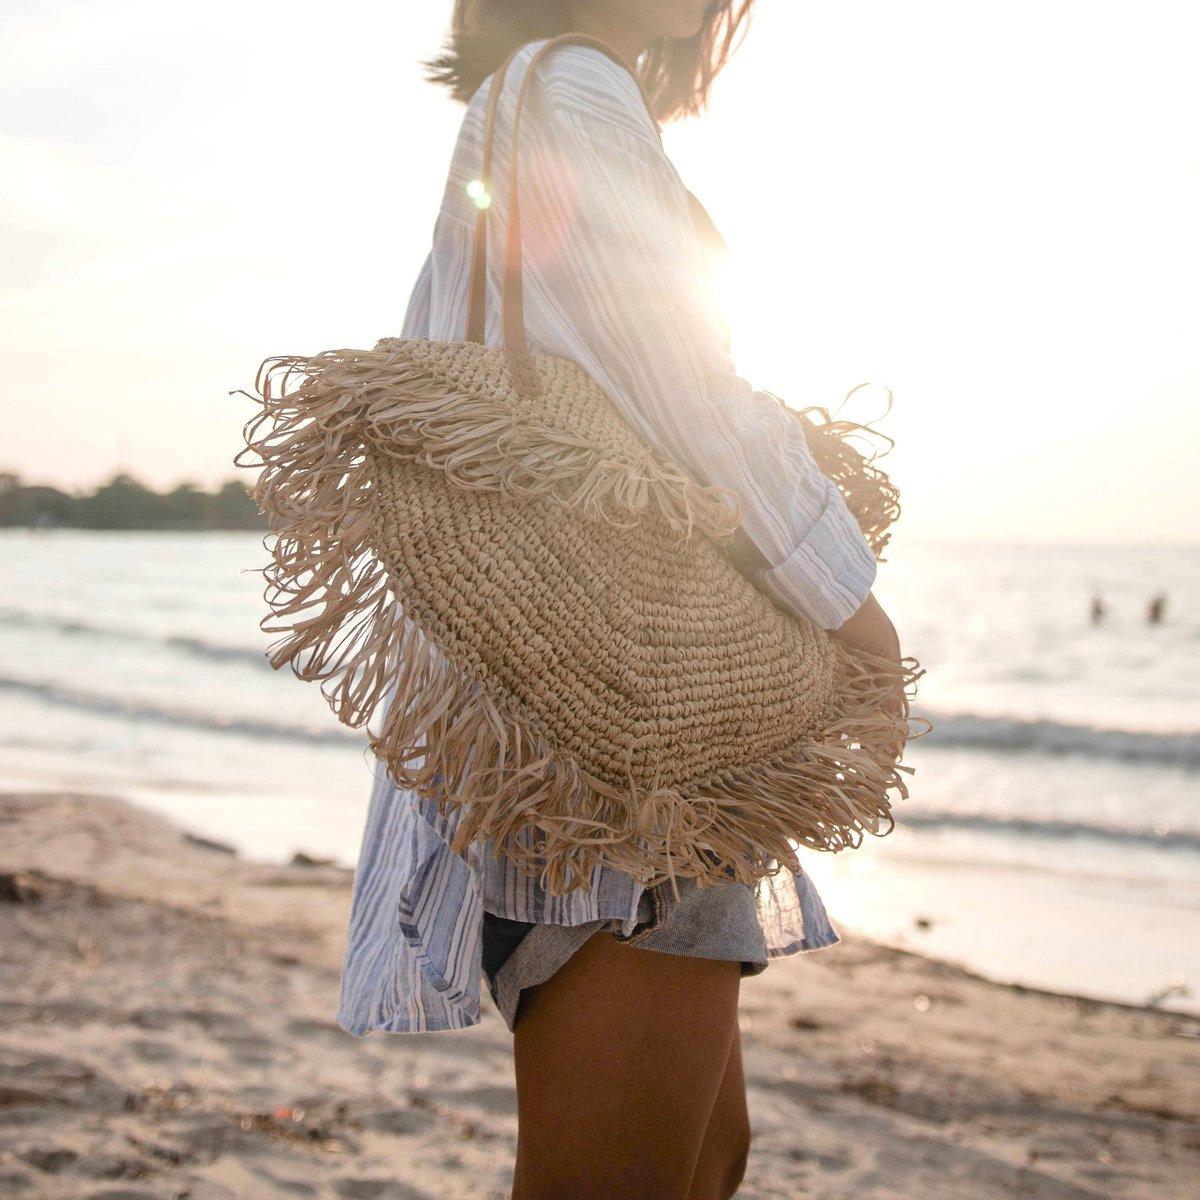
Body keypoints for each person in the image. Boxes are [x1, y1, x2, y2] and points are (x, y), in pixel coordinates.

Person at [336, 4, 903, 1197]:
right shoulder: (570, 91)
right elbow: (690, 395)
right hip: (625, 770)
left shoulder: (552, 96)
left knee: (703, 1159)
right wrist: (858, 614)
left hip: (603, 750)